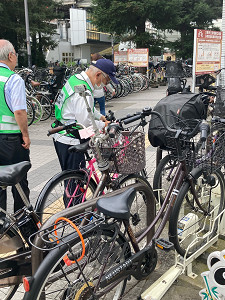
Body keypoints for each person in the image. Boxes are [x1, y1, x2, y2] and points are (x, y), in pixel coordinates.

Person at [52, 58, 118, 173]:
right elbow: (85, 121)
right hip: (70, 139)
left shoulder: (76, 80)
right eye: (106, 81)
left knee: (71, 180)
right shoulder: (84, 90)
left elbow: (87, 109)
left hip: (61, 133)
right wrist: (103, 125)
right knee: (75, 183)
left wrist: (99, 116)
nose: (105, 84)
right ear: (98, 75)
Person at [0, 39, 31, 215]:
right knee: (19, 185)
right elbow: (19, 111)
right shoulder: (13, 79)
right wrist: (25, 135)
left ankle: (2, 231)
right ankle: (24, 228)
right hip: (11, 140)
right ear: (11, 55)